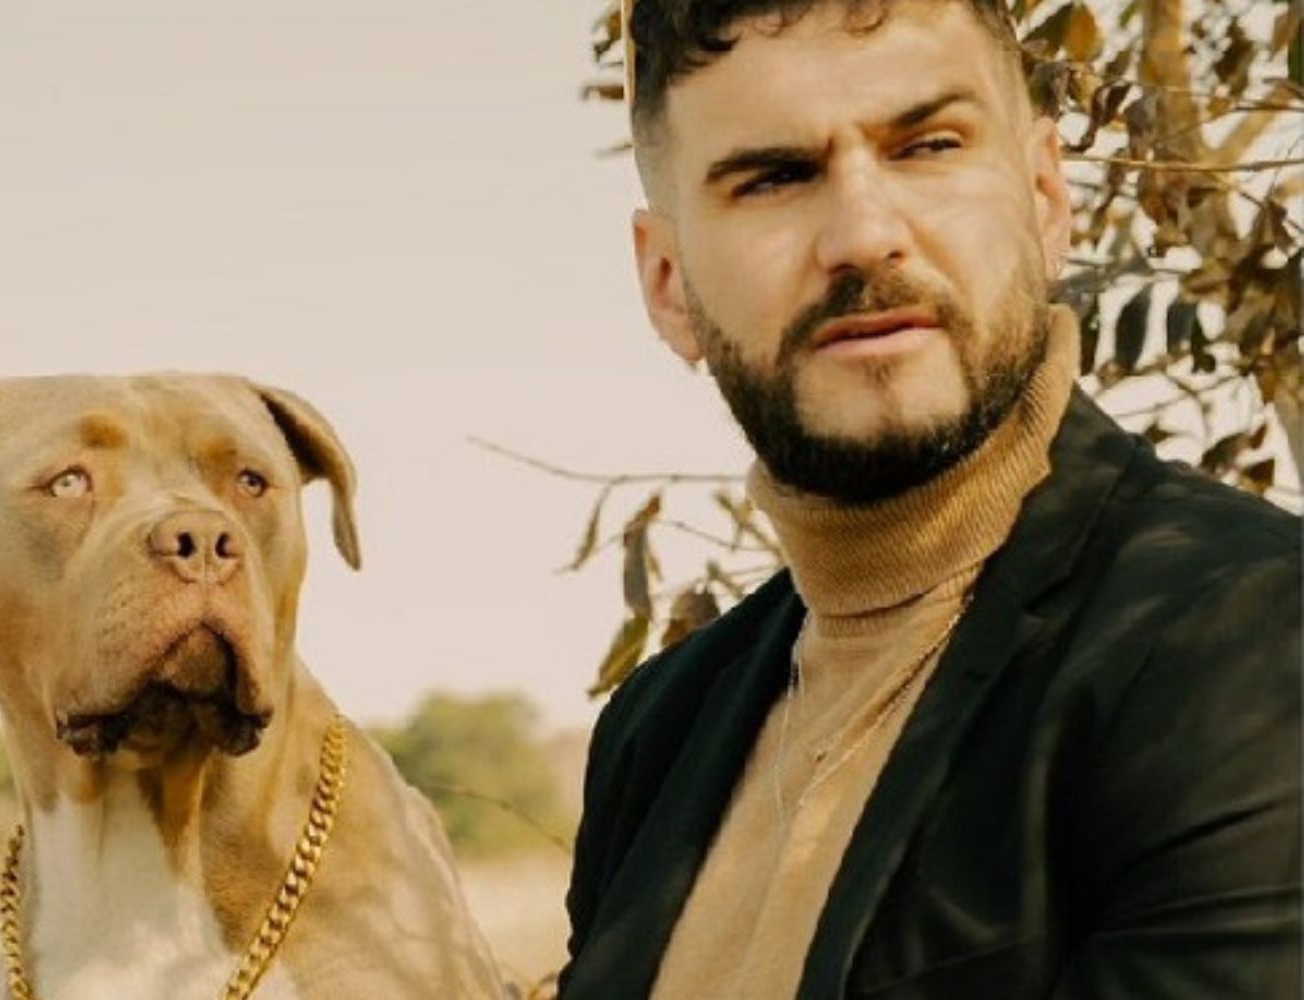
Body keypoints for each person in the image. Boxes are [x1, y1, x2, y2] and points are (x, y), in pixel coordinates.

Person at [557, 1, 1302, 997]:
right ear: (667, 281)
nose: (865, 236)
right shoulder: (657, 729)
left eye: (928, 146)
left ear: (1046, 199)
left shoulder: (1254, 635)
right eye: (775, 177)